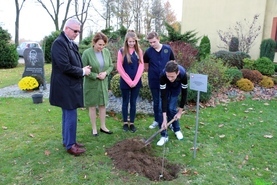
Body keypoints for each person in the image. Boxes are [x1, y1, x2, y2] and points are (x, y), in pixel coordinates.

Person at [49, 18, 91, 156]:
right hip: (64, 86)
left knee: (69, 115)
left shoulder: (70, 43)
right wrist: (82, 72)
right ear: (66, 28)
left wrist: (82, 68)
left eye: (78, 31)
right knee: (70, 114)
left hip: (70, 85)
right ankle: (70, 145)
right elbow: (64, 66)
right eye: (75, 31)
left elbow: (74, 63)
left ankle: (69, 140)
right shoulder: (59, 43)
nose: (77, 33)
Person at [82, 32, 114, 136]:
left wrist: (106, 73)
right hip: (91, 84)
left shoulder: (106, 52)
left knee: (102, 105)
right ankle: (94, 128)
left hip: (103, 83)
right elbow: (83, 70)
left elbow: (110, 66)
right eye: (99, 44)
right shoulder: (87, 53)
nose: (101, 47)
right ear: (94, 42)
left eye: (103, 44)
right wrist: (95, 75)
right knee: (92, 106)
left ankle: (103, 126)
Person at [143, 31, 175, 129]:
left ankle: (169, 122)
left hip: (166, 80)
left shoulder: (167, 49)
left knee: (166, 101)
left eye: (154, 42)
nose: (152, 44)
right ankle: (157, 120)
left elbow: (173, 62)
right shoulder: (148, 51)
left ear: (158, 39)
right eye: (150, 42)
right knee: (156, 101)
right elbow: (145, 62)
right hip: (153, 80)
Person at [116, 30, 144, 132]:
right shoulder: (121, 51)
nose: (131, 43)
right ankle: (125, 123)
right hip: (125, 82)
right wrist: (128, 81)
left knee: (133, 102)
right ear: (126, 41)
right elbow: (119, 67)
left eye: (133, 41)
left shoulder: (139, 51)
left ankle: (131, 123)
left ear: (136, 41)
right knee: (125, 102)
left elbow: (141, 66)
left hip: (136, 82)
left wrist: (135, 81)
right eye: (130, 41)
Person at [157, 60, 188, 146]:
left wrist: (180, 112)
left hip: (175, 89)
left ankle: (176, 129)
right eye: (168, 76)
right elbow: (163, 97)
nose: (170, 78)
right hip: (166, 89)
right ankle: (164, 136)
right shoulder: (163, 76)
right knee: (160, 109)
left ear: (177, 73)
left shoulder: (183, 74)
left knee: (171, 108)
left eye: (172, 76)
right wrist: (164, 119)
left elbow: (184, 94)